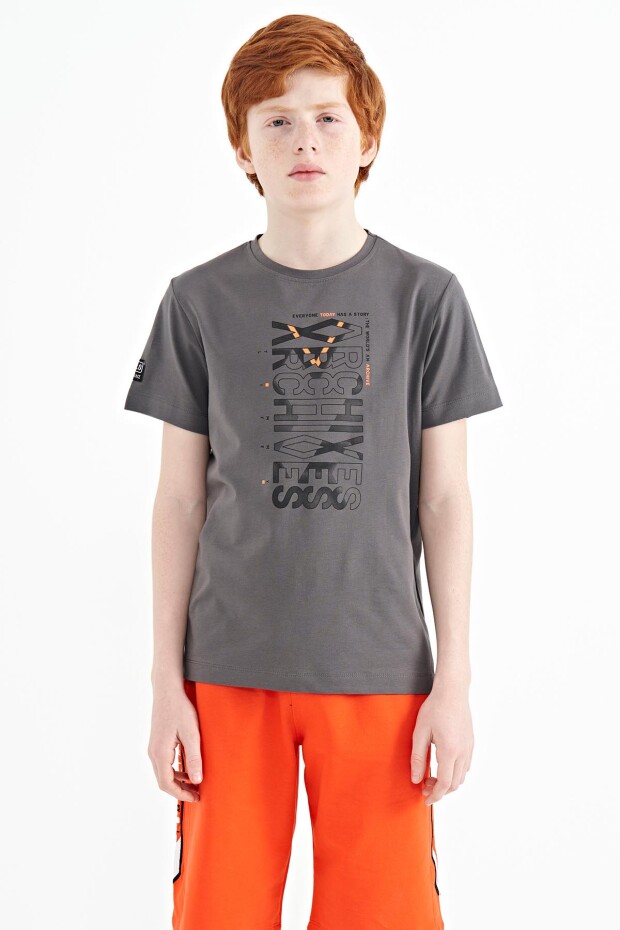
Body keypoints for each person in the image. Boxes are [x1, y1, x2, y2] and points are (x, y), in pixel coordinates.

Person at [124, 13, 503, 930]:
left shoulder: (427, 299)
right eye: (278, 121)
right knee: (217, 913)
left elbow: (445, 499)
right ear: (243, 149)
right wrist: (165, 684)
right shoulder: (197, 302)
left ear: (366, 139)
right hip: (227, 672)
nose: (305, 140)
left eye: (329, 117)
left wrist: (453, 683)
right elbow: (178, 500)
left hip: (380, 671)